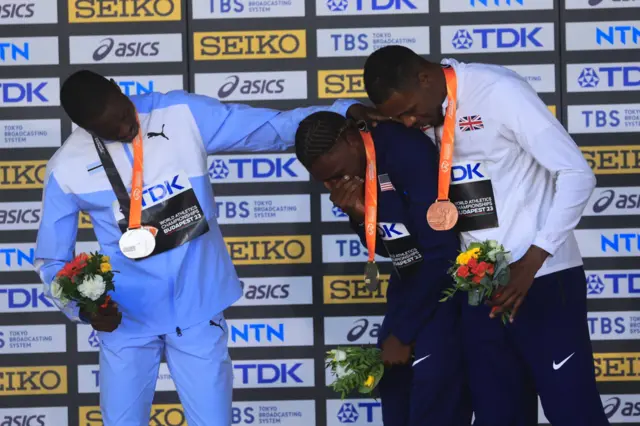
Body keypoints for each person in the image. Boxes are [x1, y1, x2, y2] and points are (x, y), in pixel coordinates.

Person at [33, 70, 384, 426]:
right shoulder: (65, 168)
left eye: (125, 115)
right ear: (85, 128)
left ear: (117, 87)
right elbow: (52, 260)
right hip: (126, 322)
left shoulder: (180, 114)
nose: (126, 129)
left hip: (198, 310)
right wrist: (85, 310)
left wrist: (344, 111)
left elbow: (271, 128)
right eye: (111, 130)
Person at [362, 45, 608, 426]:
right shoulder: (419, 108)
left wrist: (534, 257)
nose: (408, 123)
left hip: (540, 281)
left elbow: (578, 174)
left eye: (408, 110)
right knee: (499, 417)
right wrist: (352, 109)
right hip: (478, 290)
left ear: (425, 78)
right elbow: (349, 117)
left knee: (574, 413)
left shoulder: (499, 91)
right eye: (399, 116)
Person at [294, 111, 471, 425]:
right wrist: (360, 217)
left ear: (352, 140)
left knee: (433, 397)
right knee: (395, 391)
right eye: (325, 181)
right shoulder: (359, 167)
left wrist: (402, 334)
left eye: (336, 174)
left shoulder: (406, 151)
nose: (334, 185)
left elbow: (441, 253)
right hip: (411, 287)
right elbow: (398, 250)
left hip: (450, 290)